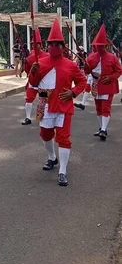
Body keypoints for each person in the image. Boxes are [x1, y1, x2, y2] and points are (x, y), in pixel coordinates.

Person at [29, 19, 87, 187]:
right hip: (45, 105)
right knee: (45, 135)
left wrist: (73, 92)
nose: (54, 47)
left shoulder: (71, 65)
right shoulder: (40, 63)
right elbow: (33, 83)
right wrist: (33, 72)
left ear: (63, 46)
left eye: (58, 44)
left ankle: (62, 171)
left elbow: (82, 83)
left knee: (63, 139)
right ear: (47, 46)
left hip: (63, 106)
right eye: (51, 44)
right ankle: (51, 157)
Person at [83, 24, 122, 140]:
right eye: (97, 45)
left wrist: (110, 78)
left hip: (107, 85)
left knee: (106, 108)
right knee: (98, 108)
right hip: (96, 85)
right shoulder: (91, 57)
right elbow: (88, 71)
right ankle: (101, 128)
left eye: (101, 46)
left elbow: (119, 71)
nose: (98, 48)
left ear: (105, 46)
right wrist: (86, 67)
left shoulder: (113, 58)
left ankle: (104, 130)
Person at [21, 29, 49, 125]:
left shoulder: (46, 56)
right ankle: (28, 117)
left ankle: (45, 116)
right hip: (32, 82)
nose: (34, 46)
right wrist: (26, 64)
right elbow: (26, 70)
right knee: (29, 99)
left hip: (43, 82)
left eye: (36, 44)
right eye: (32, 44)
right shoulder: (29, 58)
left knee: (45, 100)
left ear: (40, 45)